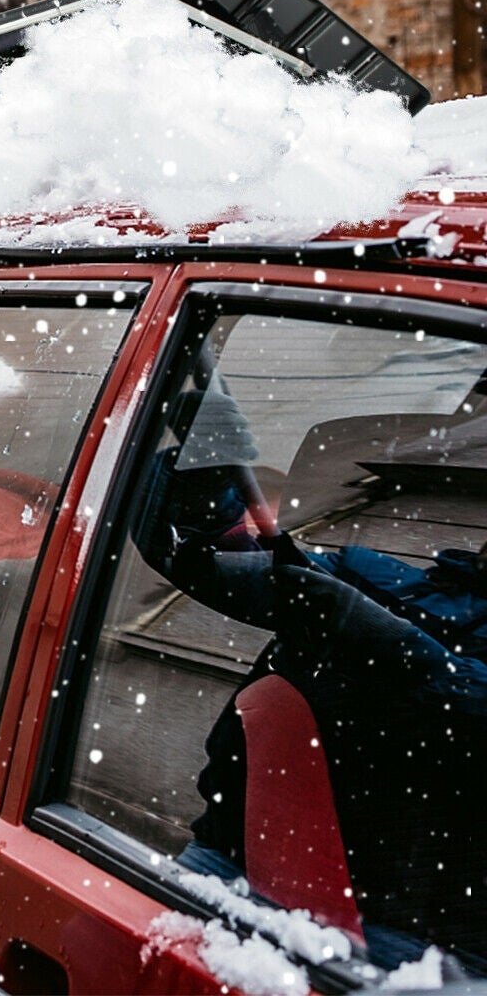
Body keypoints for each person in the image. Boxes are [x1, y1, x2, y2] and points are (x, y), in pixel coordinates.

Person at [134, 382, 487, 971]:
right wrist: (202, 470)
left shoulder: (366, 601)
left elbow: (469, 702)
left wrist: (396, 646)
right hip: (232, 874)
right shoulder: (373, 575)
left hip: (414, 952)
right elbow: (190, 555)